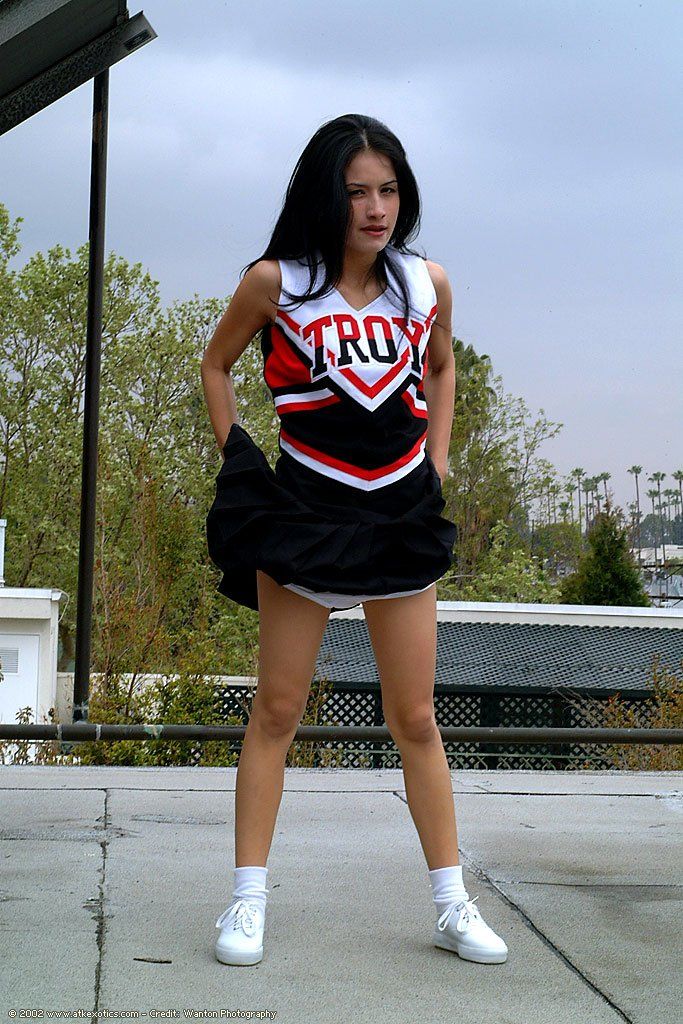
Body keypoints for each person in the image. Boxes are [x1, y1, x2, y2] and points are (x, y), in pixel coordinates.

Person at [200, 113, 508, 967]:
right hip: (303, 515)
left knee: (416, 717)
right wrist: (238, 459)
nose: (375, 209)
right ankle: (247, 900)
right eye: (356, 192)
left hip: (399, 518)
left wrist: (436, 460)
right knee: (276, 711)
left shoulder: (425, 282)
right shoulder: (277, 282)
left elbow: (440, 366)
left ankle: (450, 904)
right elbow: (217, 363)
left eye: (388, 190)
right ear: (322, 197)